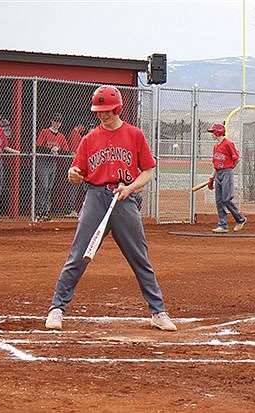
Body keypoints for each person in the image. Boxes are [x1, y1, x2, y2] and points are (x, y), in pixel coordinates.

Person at [45, 85, 177, 332]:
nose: (102, 115)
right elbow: (77, 172)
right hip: (95, 198)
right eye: (99, 111)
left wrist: (130, 188)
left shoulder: (134, 135)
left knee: (139, 258)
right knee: (79, 255)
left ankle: (158, 311)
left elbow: (148, 171)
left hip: (123, 198)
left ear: (117, 109)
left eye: (107, 111)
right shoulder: (89, 139)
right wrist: (73, 174)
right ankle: (57, 309)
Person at [207, 122, 247, 233]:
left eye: (213, 132)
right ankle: (223, 225)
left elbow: (237, 158)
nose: (212, 134)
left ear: (218, 132)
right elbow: (216, 164)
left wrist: (229, 169)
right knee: (219, 200)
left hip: (227, 172)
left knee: (226, 198)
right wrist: (212, 178)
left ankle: (240, 219)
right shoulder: (216, 146)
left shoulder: (228, 143)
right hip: (218, 173)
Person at [35, 113, 69, 221]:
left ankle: (45, 212)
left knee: (49, 188)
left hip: (52, 163)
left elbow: (66, 151)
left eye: (59, 122)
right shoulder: (44, 132)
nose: (57, 124)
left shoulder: (61, 136)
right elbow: (38, 147)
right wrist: (50, 150)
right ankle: (39, 211)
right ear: (51, 121)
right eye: (55, 121)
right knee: (43, 186)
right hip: (43, 162)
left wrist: (57, 150)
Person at [65, 123, 86, 218]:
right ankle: (71, 209)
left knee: (77, 188)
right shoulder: (75, 134)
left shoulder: (76, 134)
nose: (83, 129)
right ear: (80, 125)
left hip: (77, 164)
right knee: (74, 187)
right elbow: (74, 151)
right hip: (75, 165)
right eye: (83, 127)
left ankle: (74, 209)